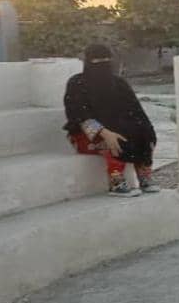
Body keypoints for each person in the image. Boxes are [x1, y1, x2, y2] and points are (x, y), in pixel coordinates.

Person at [64, 43, 159, 197]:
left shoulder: (119, 83)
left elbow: (136, 111)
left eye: (106, 60)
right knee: (113, 140)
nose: (103, 65)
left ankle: (144, 175)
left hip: (117, 128)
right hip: (85, 135)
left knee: (142, 131)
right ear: (88, 62)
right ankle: (116, 182)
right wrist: (104, 132)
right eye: (97, 62)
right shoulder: (77, 83)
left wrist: (147, 132)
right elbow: (79, 116)